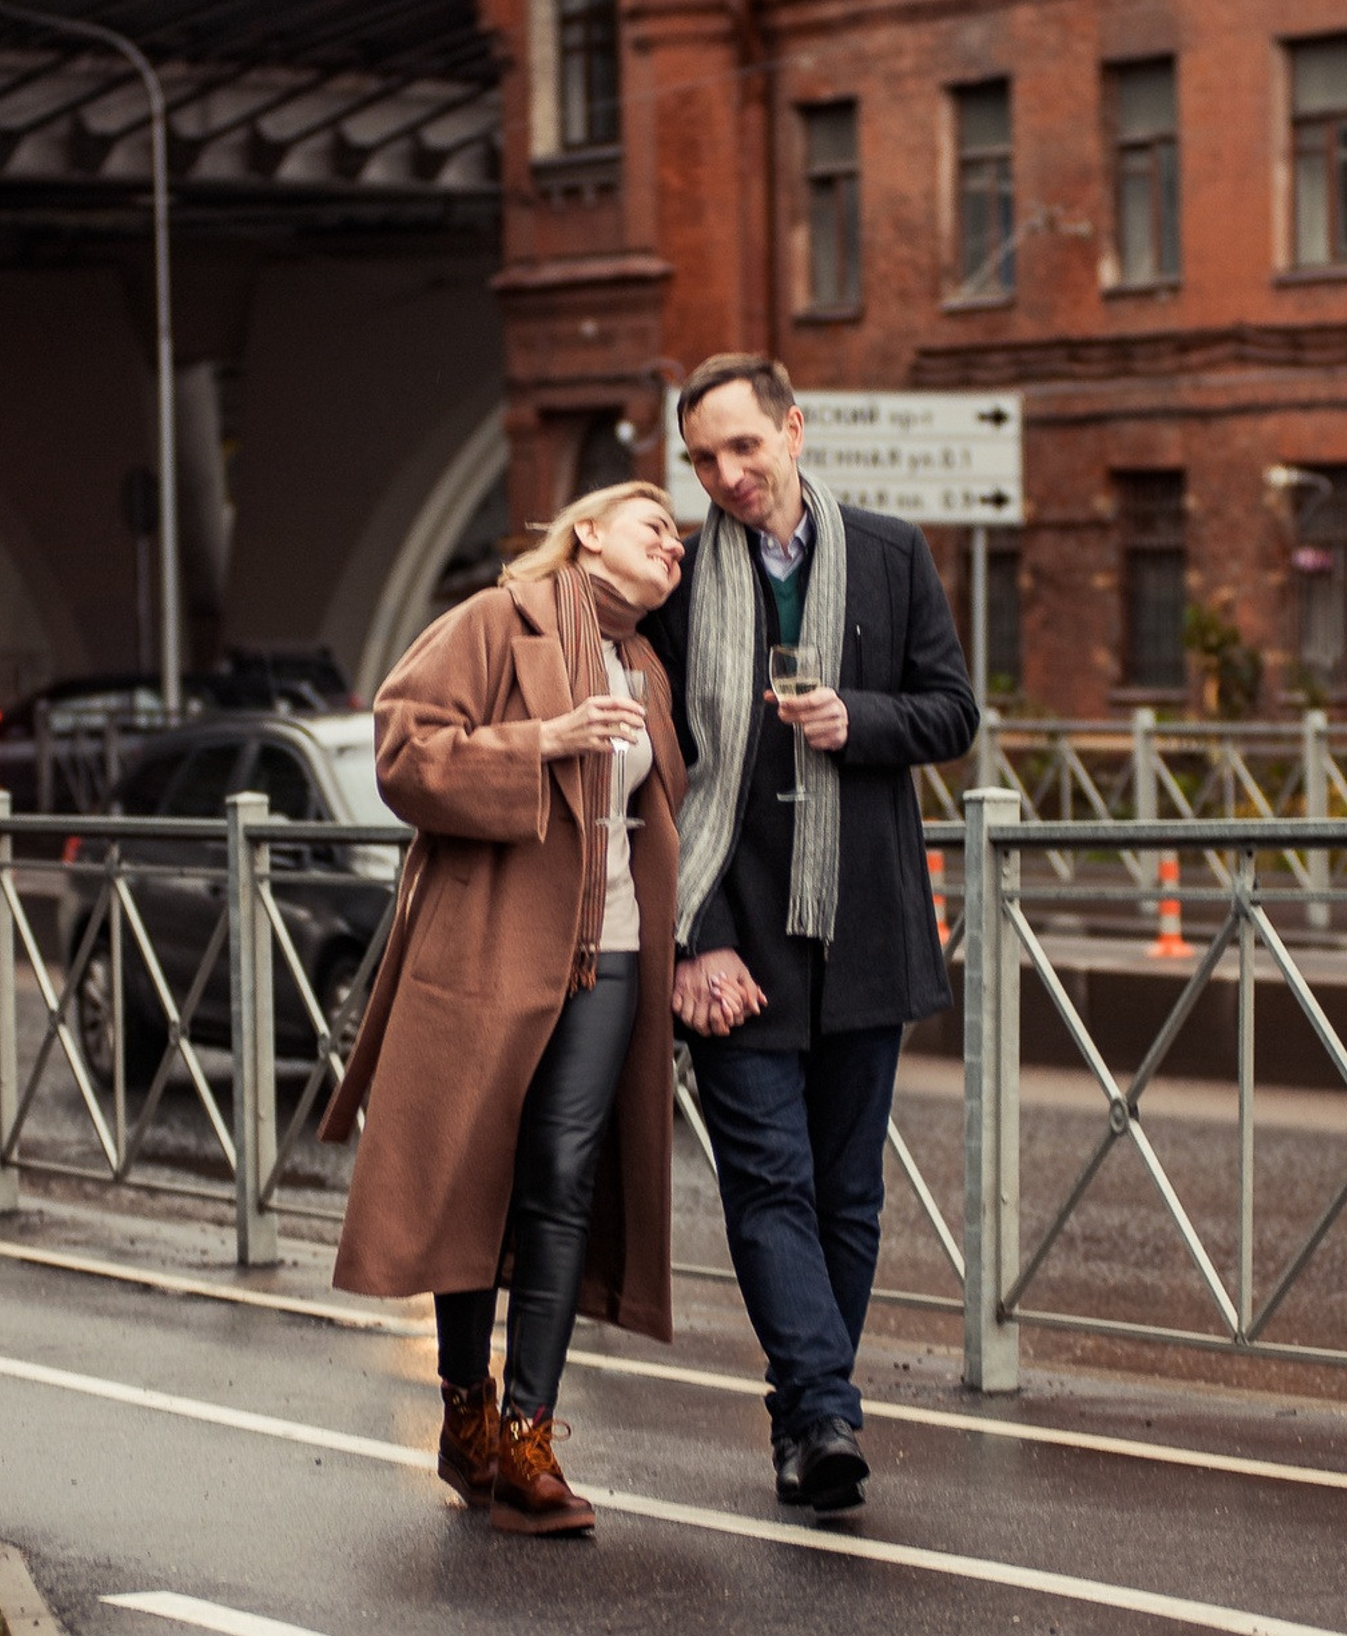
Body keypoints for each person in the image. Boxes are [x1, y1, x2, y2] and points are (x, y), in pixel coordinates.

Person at [644, 353, 978, 1516]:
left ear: (794, 430)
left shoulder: (891, 553)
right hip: (734, 931)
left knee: (848, 1191)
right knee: (768, 1181)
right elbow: (670, 778)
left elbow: (952, 711)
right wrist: (694, 939)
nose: (726, 475)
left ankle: (805, 1420)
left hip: (864, 924)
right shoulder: (681, 587)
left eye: (743, 446)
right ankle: (828, 1411)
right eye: (702, 460)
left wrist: (858, 718)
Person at [320, 480, 686, 1537]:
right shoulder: (494, 621)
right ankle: (465, 1406)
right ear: (588, 534)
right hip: (491, 943)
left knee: (563, 1177)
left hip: (612, 951)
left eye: (679, 536)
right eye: (654, 524)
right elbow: (404, 751)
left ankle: (529, 1436)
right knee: (475, 1168)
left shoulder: (644, 664)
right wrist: (543, 740)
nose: (673, 542)